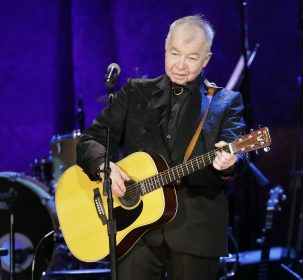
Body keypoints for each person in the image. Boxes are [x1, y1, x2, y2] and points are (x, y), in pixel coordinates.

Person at [76, 15, 246, 280]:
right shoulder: (135, 92)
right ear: (165, 47)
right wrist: (103, 166)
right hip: (135, 232)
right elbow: (91, 139)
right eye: (174, 53)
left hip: (195, 231)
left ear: (206, 60)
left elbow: (234, 157)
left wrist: (228, 164)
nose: (180, 65)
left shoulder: (225, 102)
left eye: (191, 58)